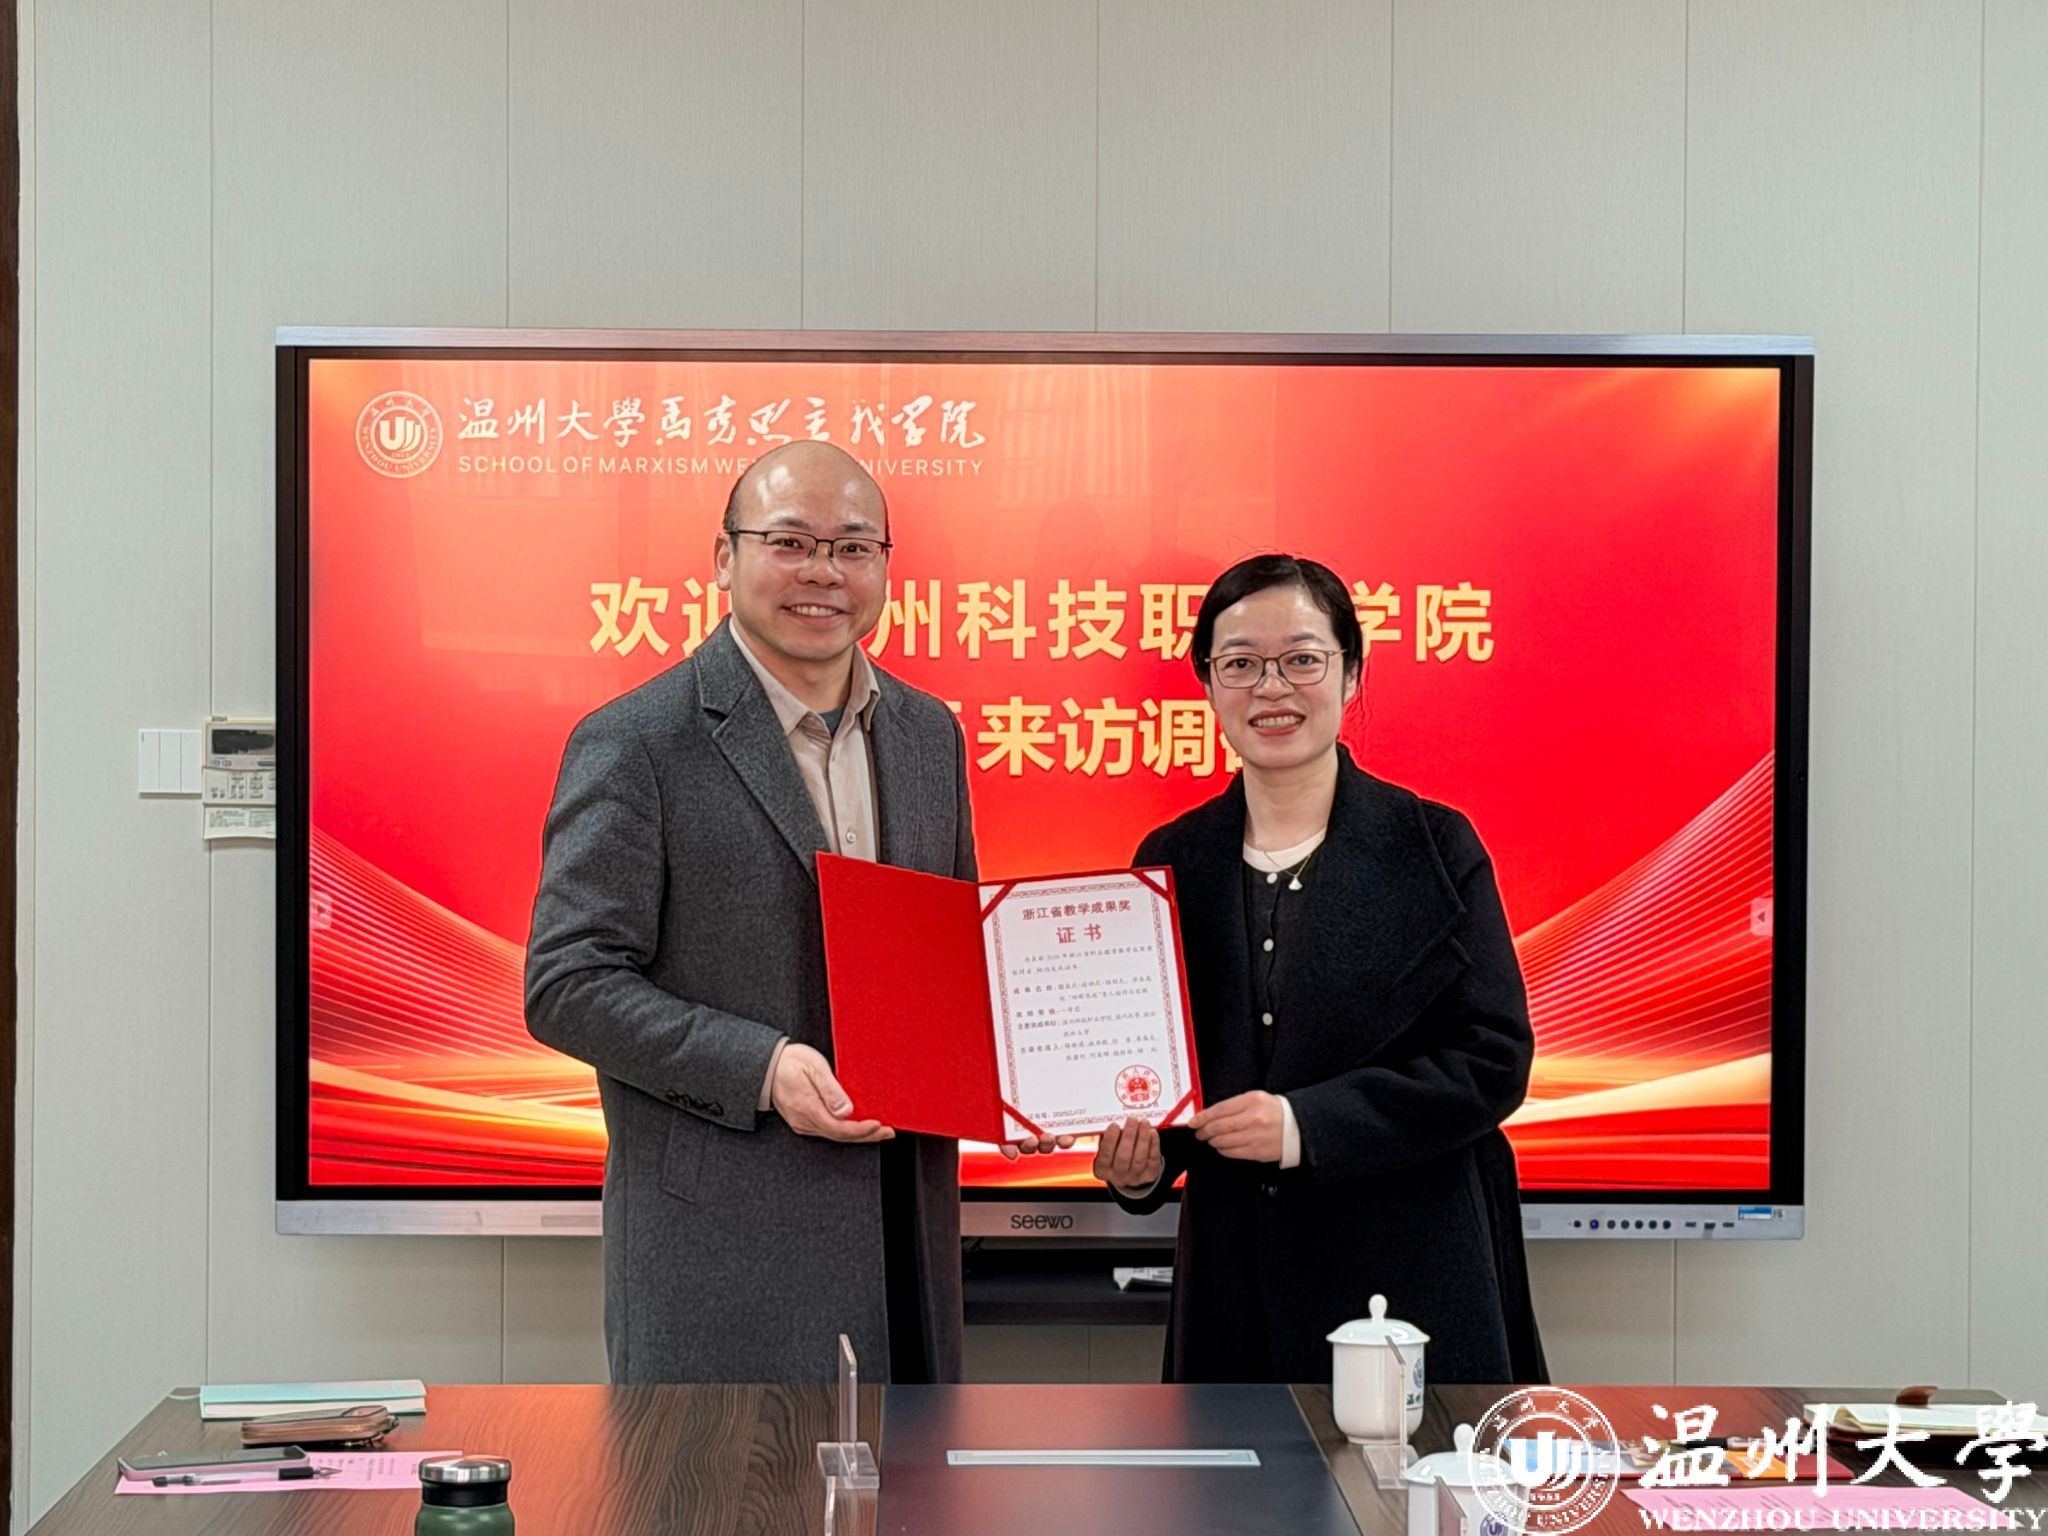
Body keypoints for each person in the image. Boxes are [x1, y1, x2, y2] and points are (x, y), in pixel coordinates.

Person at [525, 441, 974, 1385]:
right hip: (724, 1256)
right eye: (790, 541)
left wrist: (1019, 1076)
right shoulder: (636, 742)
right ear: (725, 558)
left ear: (885, 565)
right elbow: (567, 984)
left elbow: (951, 953)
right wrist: (762, 1068)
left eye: (853, 547)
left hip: (908, 1236)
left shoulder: (929, 733)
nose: (824, 572)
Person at [1089, 552, 1546, 1384]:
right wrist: (1145, 1165)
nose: (1272, 688)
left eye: (1302, 659)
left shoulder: (1434, 846)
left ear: (1352, 673)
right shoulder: (1172, 859)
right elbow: (1162, 1075)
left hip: (1409, 1276)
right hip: (1234, 1283)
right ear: (1208, 684)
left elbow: (1492, 1060)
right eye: (1240, 664)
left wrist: (1306, 1126)